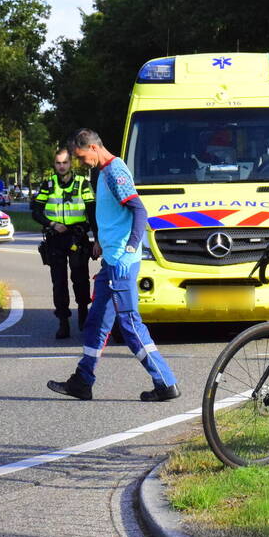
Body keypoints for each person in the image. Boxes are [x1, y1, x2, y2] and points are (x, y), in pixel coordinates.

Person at [47, 128, 180, 402]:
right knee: (96, 323)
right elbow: (114, 215)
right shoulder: (103, 172)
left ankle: (166, 382)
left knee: (130, 324)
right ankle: (82, 382)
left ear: (94, 148)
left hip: (121, 263)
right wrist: (100, 242)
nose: (82, 163)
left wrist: (130, 247)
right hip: (111, 260)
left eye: (83, 157)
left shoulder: (114, 172)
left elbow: (139, 211)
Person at [32, 148, 96, 339]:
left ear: (71, 164)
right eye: (58, 163)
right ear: (54, 164)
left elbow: (92, 212)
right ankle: (63, 322)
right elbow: (36, 211)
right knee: (58, 282)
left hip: (77, 236)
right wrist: (52, 224)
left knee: (80, 278)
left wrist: (97, 239)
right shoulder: (48, 184)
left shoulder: (82, 183)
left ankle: (83, 313)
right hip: (55, 239)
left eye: (65, 162)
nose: (62, 166)